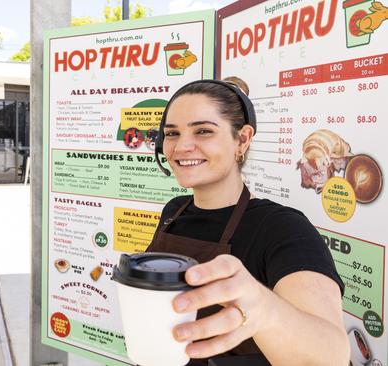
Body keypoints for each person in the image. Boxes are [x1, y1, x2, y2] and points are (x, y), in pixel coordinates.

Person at [148, 78, 349, 365]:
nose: (182, 146)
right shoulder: (174, 211)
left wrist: (265, 309)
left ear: (242, 139)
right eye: (172, 133)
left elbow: (332, 355)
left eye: (203, 131)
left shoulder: (282, 227)